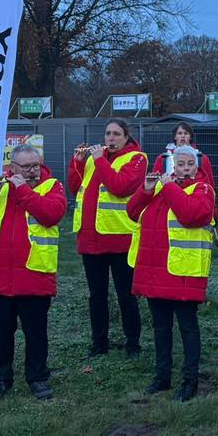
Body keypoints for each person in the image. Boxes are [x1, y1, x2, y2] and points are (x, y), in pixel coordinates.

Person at [0, 145, 66, 400]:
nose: (33, 171)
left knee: (36, 333)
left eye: (36, 165)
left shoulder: (52, 186)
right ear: (13, 168)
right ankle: (0, 379)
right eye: (26, 166)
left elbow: (51, 214)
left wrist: (22, 190)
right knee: (0, 333)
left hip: (34, 275)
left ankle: (38, 378)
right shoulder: (0, 188)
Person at [128, 146, 216, 402]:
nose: (185, 168)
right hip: (155, 271)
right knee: (161, 328)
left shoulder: (203, 189)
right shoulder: (159, 188)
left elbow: (192, 215)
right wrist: (146, 189)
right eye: (180, 164)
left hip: (183, 271)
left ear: (197, 167)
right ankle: (162, 376)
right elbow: (132, 212)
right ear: (172, 166)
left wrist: (168, 187)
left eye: (190, 164)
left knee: (188, 327)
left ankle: (190, 380)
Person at [68, 118, 147, 358]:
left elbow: (120, 187)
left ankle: (133, 343)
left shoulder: (137, 158)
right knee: (97, 296)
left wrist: (99, 160)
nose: (110, 138)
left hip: (120, 237)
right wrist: (77, 163)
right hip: (91, 238)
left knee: (126, 294)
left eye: (116, 134)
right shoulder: (94, 158)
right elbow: (76, 187)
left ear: (126, 137)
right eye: (107, 134)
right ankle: (99, 343)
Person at [152, 122, 215, 186]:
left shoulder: (202, 158)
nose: (183, 136)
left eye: (186, 133)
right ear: (175, 137)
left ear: (190, 137)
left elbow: (210, 185)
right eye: (180, 133)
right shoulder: (163, 158)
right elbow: (154, 183)